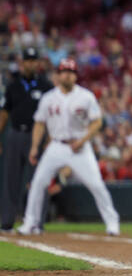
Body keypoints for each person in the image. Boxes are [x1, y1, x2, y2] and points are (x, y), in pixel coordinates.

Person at [17, 58, 119, 236]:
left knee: (96, 185)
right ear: (58, 74)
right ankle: (30, 223)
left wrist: (83, 139)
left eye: (71, 72)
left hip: (80, 146)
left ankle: (112, 223)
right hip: (56, 146)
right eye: (64, 71)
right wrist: (34, 147)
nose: (68, 75)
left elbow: (97, 122)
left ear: (75, 76)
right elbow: (39, 123)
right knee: (38, 183)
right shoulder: (48, 98)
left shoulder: (86, 96)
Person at [0, 48, 50, 233]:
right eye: (28, 60)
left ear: (38, 63)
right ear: (22, 63)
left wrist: (49, 138)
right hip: (14, 134)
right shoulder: (13, 86)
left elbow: (52, 114)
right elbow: (4, 113)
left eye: (33, 60)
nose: (31, 63)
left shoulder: (46, 85)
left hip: (36, 136)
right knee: (11, 180)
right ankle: (7, 222)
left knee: (40, 179)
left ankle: (37, 222)